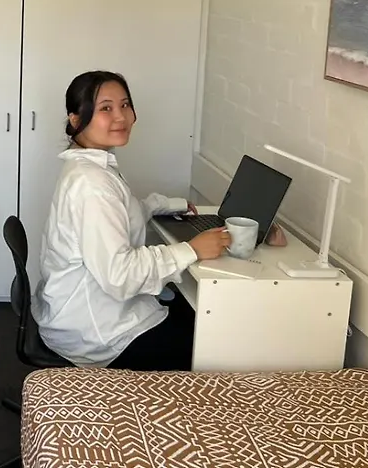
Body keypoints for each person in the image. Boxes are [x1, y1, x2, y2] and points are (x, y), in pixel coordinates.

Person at [31, 70, 231, 371]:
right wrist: (191, 249)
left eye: (125, 105)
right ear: (76, 119)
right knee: (214, 341)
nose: (120, 117)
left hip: (80, 311)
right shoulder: (93, 185)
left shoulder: (91, 167)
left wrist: (168, 205)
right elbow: (120, 276)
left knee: (195, 312)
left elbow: (126, 209)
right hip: (96, 332)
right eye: (105, 108)